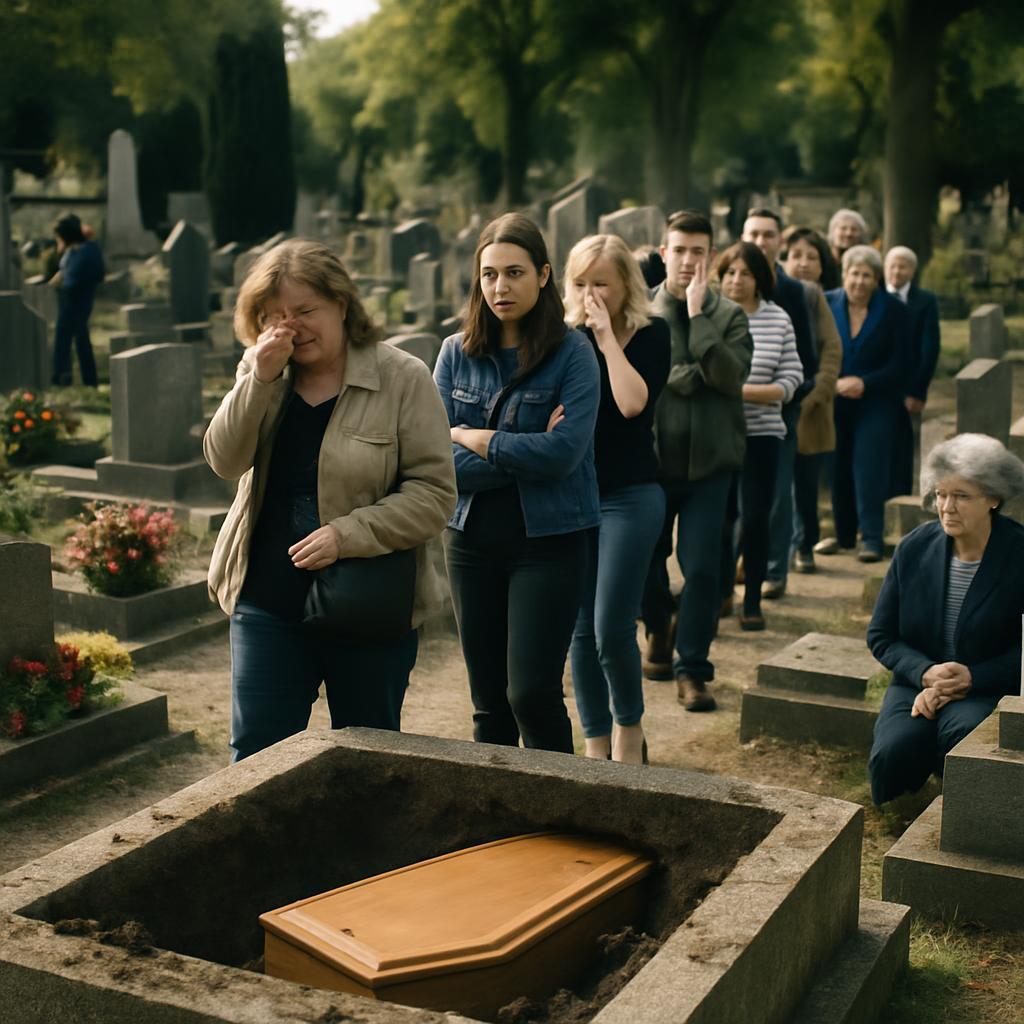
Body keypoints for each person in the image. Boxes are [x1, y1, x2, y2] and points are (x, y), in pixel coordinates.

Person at [204, 240, 456, 761]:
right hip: (267, 598)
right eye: (275, 315)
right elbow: (224, 461)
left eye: (304, 311)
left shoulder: (402, 378)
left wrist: (348, 534)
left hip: (369, 602)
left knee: (367, 756)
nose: (291, 326)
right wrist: (258, 378)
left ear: (342, 304)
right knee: (255, 757)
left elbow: (434, 495)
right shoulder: (263, 372)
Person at [433, 213, 600, 754]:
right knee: (489, 703)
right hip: (471, 541)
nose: (499, 287)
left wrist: (475, 438)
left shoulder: (574, 354)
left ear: (544, 275)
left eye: (514, 273)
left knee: (531, 693)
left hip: (549, 541)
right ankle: (499, 821)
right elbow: (435, 461)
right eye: (488, 275)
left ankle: (562, 814)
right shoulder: (455, 353)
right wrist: (523, 446)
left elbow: (563, 455)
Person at [867, 434, 1024, 805]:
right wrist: (925, 673)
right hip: (916, 679)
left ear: (994, 498)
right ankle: (905, 808)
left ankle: (963, 813)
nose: (946, 507)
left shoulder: (1019, 554)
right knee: (894, 751)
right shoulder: (914, 548)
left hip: (989, 685)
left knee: (964, 734)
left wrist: (974, 677)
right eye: (940, 494)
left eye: (962, 496)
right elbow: (881, 635)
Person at [640, 210, 753, 712]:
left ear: (712, 256)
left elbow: (730, 378)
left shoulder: (730, 316)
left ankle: (693, 669)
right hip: (652, 466)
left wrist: (699, 315)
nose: (688, 260)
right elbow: (640, 378)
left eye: (698, 251)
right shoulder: (639, 314)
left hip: (712, 466)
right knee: (645, 561)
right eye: (679, 250)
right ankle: (659, 623)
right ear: (664, 253)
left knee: (705, 569)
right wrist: (684, 375)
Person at [563, 234, 670, 763]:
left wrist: (606, 339)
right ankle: (595, 742)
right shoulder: (563, 339)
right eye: (580, 284)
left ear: (625, 282)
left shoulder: (654, 334)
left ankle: (629, 730)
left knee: (611, 627)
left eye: (600, 283)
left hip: (632, 496)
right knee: (580, 630)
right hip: (575, 497)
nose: (590, 295)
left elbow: (631, 405)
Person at [716, 242, 803, 630]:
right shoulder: (710, 316)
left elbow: (791, 380)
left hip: (763, 434)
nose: (737, 280)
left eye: (746, 273)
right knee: (719, 518)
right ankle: (720, 594)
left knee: (754, 518)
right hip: (717, 434)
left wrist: (744, 393)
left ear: (759, 280)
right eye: (730, 272)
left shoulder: (778, 319)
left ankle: (752, 598)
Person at [742, 209, 816, 600]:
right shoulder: (727, 286)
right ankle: (744, 562)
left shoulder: (792, 292)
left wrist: (782, 394)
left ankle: (775, 569)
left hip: (779, 411)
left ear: (778, 242)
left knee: (776, 495)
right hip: (731, 419)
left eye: (768, 234)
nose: (760, 240)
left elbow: (807, 357)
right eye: (753, 232)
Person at [818, 246, 910, 562]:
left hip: (877, 401)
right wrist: (833, 382)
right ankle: (844, 536)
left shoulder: (894, 309)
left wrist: (865, 382)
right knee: (837, 465)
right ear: (844, 275)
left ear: (876, 279)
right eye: (854, 273)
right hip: (834, 399)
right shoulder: (826, 303)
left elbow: (902, 362)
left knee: (869, 466)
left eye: (866, 275)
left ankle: (871, 537)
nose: (859, 281)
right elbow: (815, 350)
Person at [781, 227, 842, 572]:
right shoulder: (771, 294)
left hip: (809, 406)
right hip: (771, 404)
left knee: (805, 484)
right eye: (796, 256)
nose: (802, 264)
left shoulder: (814, 297)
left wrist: (817, 393)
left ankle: (805, 545)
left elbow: (832, 350)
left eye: (811, 257)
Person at [884, 246, 941, 497]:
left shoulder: (925, 301)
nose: (897, 271)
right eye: (892, 266)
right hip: (877, 385)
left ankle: (901, 494)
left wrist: (917, 390)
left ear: (912, 271)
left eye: (903, 266)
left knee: (905, 445)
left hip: (908, 388)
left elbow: (930, 349)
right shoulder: (874, 297)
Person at [50, 213, 104, 387]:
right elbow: (64, 272)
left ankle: (81, 380)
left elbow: (96, 274)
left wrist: (71, 282)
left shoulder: (88, 250)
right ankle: (65, 378)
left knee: (75, 339)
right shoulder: (72, 251)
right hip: (68, 299)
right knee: (69, 339)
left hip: (79, 299)